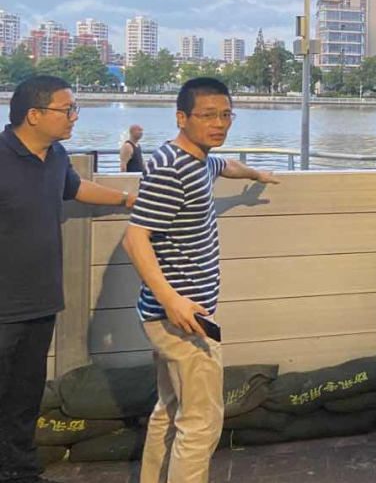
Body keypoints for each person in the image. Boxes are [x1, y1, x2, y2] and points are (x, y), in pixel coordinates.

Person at [122, 78, 278, 483]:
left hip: (173, 313)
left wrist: (257, 175)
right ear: (182, 117)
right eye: (208, 115)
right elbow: (134, 239)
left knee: (171, 409)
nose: (219, 123)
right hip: (183, 316)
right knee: (201, 423)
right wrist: (172, 300)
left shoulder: (195, 159)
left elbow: (225, 166)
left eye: (226, 115)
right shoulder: (173, 168)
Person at [1, 75, 136, 483]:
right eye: (68, 109)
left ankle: (20, 470)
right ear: (34, 115)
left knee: (25, 397)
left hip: (41, 302)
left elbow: (76, 188)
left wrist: (128, 199)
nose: (75, 116)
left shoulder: (57, 156)